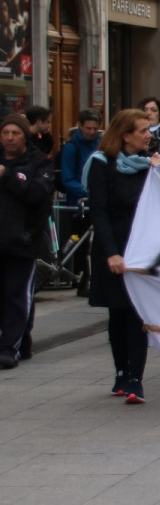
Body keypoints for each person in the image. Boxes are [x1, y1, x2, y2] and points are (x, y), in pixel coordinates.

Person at [83, 109, 160, 403]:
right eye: (142, 130)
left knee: (136, 313)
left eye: (148, 129)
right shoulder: (102, 164)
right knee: (117, 312)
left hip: (141, 247)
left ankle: (135, 379)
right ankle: (121, 371)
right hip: (113, 247)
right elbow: (99, 212)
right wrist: (112, 253)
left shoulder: (150, 166)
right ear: (125, 135)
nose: (148, 135)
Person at [0, 114, 54, 369]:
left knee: (16, 295)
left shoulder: (37, 162)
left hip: (21, 242)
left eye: (15, 133)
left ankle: (11, 347)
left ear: (24, 136)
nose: (10, 138)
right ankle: (18, 341)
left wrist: (9, 177)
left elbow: (39, 195)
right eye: (5, 133)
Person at [61, 108, 102, 297]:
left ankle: (94, 277)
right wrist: (87, 193)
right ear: (80, 126)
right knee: (80, 242)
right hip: (79, 204)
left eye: (95, 128)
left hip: (97, 201)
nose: (92, 132)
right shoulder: (72, 147)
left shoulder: (101, 144)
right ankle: (83, 277)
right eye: (88, 128)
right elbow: (68, 178)